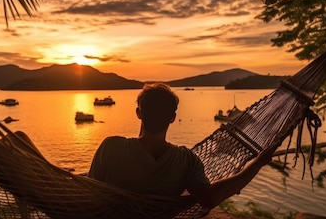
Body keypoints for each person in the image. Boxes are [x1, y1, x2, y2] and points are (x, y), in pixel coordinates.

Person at [88, 83, 272, 210]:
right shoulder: (186, 162)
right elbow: (210, 199)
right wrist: (258, 163)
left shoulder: (111, 148)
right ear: (172, 118)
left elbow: (88, 194)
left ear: (138, 113)